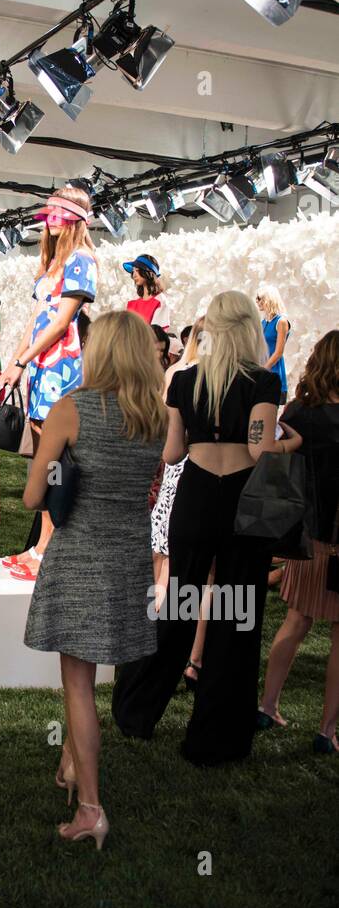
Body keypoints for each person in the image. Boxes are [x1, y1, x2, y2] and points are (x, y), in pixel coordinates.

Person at [112, 291, 302, 766]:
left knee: (179, 602)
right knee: (237, 617)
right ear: (250, 328)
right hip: (242, 502)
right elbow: (259, 451)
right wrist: (291, 442)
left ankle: (137, 711)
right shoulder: (262, 381)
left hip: (195, 495)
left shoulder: (185, 379)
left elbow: (172, 453)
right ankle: (216, 736)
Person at [23, 311, 167, 848]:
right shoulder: (158, 418)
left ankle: (91, 808)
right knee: (91, 680)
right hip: (130, 558)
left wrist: (56, 464)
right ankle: (70, 763)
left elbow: (34, 497)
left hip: (81, 555)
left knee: (78, 683)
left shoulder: (71, 409)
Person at [0, 187, 98, 579]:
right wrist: (15, 362)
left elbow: (61, 323)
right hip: (39, 368)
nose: (53, 217)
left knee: (55, 460)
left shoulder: (83, 259)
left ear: (77, 217)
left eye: (62, 211)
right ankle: (39, 546)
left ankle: (47, 551)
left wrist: (23, 360)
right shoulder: (54, 261)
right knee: (44, 459)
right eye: (51, 210)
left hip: (60, 368)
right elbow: (37, 316)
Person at [258, 330, 339, 751]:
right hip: (335, 536)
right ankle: (327, 732)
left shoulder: (299, 412)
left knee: (296, 620)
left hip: (305, 537)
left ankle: (267, 705)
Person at [150, 318, 205, 674]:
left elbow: (168, 436)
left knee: (162, 558)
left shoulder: (177, 374)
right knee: (178, 566)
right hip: (196, 474)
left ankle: (152, 639)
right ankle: (188, 656)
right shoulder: (211, 378)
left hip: (176, 470)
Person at [256, 285, 291, 404]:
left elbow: (279, 352)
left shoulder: (281, 322)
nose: (257, 301)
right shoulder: (263, 322)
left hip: (273, 371)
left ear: (269, 299)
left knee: (270, 411)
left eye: (259, 298)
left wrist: (264, 369)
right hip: (261, 371)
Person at [123, 254, 170, 329]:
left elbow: (158, 334)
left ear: (148, 272)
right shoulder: (133, 302)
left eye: (137, 270)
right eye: (133, 271)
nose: (134, 275)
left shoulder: (160, 301)